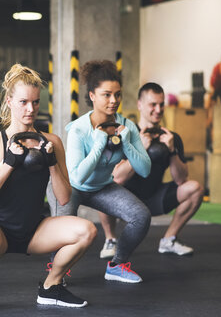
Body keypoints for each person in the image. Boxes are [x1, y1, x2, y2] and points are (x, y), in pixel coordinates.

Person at [0, 64, 96, 315]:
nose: (30, 109)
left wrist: (52, 163)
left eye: (35, 102)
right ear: (9, 101)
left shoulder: (51, 142)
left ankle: (50, 286)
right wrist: (8, 164)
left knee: (86, 230)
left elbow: (64, 199)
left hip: (35, 230)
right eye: (23, 102)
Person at [47, 60, 151, 284]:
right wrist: (98, 144)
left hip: (101, 187)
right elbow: (77, 177)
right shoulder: (79, 129)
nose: (113, 101)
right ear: (92, 95)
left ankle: (117, 265)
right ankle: (56, 272)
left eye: (117, 94)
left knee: (140, 216)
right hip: (69, 186)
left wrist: (127, 145)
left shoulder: (127, 127)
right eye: (106, 95)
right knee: (62, 230)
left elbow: (145, 169)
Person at [99, 83, 203, 259]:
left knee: (195, 188)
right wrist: (140, 149)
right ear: (140, 105)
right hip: (127, 201)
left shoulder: (171, 137)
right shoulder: (125, 135)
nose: (158, 109)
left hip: (155, 198)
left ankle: (169, 240)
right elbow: (117, 178)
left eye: (161, 104)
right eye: (152, 105)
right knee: (102, 183)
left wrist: (172, 150)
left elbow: (181, 180)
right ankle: (111, 240)